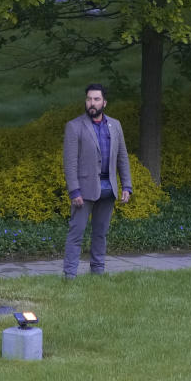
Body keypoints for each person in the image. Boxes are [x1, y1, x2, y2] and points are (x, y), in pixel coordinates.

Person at [63, 83, 132, 279]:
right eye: (88, 99)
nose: (91, 103)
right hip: (83, 191)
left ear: (104, 102)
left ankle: (98, 273)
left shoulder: (115, 125)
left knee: (100, 233)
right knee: (76, 234)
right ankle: (69, 275)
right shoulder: (74, 126)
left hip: (108, 187)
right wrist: (74, 191)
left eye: (96, 99)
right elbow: (70, 163)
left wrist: (127, 185)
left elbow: (122, 157)